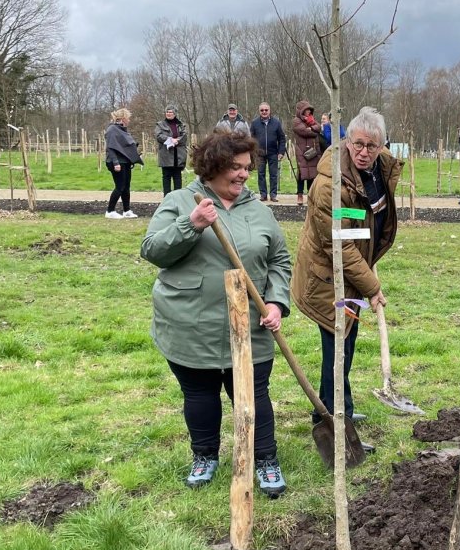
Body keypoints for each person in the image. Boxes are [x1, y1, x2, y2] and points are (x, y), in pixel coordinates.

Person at [140, 130, 291, 498]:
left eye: (246, 167)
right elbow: (152, 250)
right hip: (191, 325)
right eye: (234, 168)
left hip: (250, 327)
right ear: (213, 167)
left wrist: (275, 302)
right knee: (200, 395)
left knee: (254, 395)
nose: (243, 174)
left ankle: (265, 458)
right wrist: (190, 225)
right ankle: (204, 454)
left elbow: (280, 261)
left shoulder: (258, 210)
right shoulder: (180, 201)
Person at [292, 107, 403, 450]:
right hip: (330, 279)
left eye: (372, 146)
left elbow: (369, 223)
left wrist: (369, 267)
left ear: (383, 145)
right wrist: (372, 285)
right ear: (347, 140)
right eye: (358, 144)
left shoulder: (379, 168)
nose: (364, 152)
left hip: (353, 274)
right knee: (338, 347)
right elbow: (340, 246)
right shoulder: (330, 185)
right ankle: (337, 423)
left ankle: (337, 411)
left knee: (346, 343)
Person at [104, 108, 143, 219]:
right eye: (128, 118)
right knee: (120, 187)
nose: (129, 120)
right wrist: (116, 163)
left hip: (125, 162)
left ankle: (127, 210)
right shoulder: (112, 129)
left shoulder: (122, 130)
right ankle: (110, 211)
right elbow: (110, 148)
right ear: (123, 118)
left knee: (126, 187)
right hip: (116, 162)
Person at [250, 102, 287, 203]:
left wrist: (281, 152)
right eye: (262, 110)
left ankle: (273, 195)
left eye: (266, 110)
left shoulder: (276, 122)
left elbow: (282, 138)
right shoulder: (254, 123)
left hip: (273, 153)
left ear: (269, 111)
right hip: (259, 154)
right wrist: (253, 152)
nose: (264, 112)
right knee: (261, 174)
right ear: (259, 111)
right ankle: (263, 194)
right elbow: (251, 139)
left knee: (273, 175)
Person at [291, 101, 322, 207]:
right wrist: (313, 130)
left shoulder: (312, 120)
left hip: (313, 152)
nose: (308, 111)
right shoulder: (296, 121)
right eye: (306, 110)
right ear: (301, 111)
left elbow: (319, 127)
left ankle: (310, 195)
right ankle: (299, 195)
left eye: (309, 110)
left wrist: (312, 128)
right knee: (302, 173)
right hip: (302, 151)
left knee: (312, 174)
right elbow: (304, 131)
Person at [154, 105, 188, 196]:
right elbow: (158, 136)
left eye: (171, 112)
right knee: (166, 177)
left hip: (178, 155)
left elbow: (184, 136)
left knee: (177, 177)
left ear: (175, 113)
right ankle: (167, 198)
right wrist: (170, 140)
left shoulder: (181, 125)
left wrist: (177, 140)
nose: (168, 114)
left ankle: (178, 198)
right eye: (167, 112)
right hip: (166, 155)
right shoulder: (160, 124)